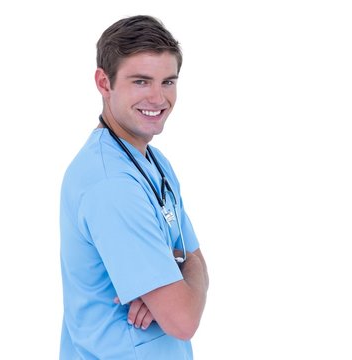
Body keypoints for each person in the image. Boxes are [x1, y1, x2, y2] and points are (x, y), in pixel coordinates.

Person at [59, 15, 209, 359]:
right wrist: (177, 276)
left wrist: (178, 271)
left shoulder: (155, 163)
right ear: (104, 82)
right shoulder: (110, 184)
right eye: (141, 81)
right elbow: (183, 318)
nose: (158, 98)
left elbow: (195, 258)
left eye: (168, 82)